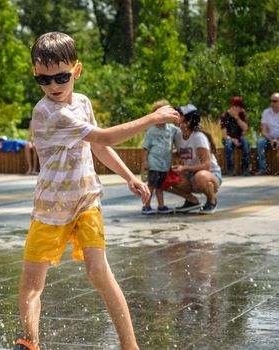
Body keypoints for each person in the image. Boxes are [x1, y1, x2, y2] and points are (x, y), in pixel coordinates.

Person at [14, 32, 179, 350]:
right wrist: (153, 118)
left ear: (76, 70)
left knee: (99, 272)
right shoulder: (47, 112)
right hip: (51, 207)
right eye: (44, 80)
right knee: (32, 283)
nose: (53, 86)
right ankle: (30, 341)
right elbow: (105, 137)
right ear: (36, 76)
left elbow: (98, 148)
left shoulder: (83, 103)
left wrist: (129, 176)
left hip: (86, 199)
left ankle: (130, 346)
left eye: (61, 76)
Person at [167, 104, 222, 215]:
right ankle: (192, 201)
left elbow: (207, 165)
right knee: (163, 178)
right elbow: (183, 152)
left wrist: (185, 168)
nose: (176, 116)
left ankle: (211, 201)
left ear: (188, 121)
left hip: (210, 175)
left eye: (180, 115)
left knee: (200, 176)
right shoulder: (178, 135)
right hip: (190, 175)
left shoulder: (198, 137)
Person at [140, 99, 179, 215]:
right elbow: (145, 148)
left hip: (165, 164)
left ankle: (161, 206)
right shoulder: (152, 130)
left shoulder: (171, 129)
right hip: (154, 163)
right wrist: (144, 162)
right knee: (151, 186)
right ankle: (146, 206)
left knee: (161, 187)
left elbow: (181, 133)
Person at [255, 93, 279, 176]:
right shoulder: (266, 112)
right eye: (270, 101)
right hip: (269, 139)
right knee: (260, 142)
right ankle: (263, 169)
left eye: (274, 101)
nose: (271, 103)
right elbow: (264, 131)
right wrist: (271, 140)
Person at [221, 96, 250, 176]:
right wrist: (233, 140)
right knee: (228, 144)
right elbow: (224, 135)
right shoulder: (224, 116)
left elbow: (245, 128)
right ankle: (230, 169)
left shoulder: (242, 114)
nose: (241, 109)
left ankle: (245, 169)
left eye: (241, 107)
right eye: (239, 107)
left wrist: (237, 118)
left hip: (239, 137)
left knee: (246, 142)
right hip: (228, 138)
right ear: (233, 107)